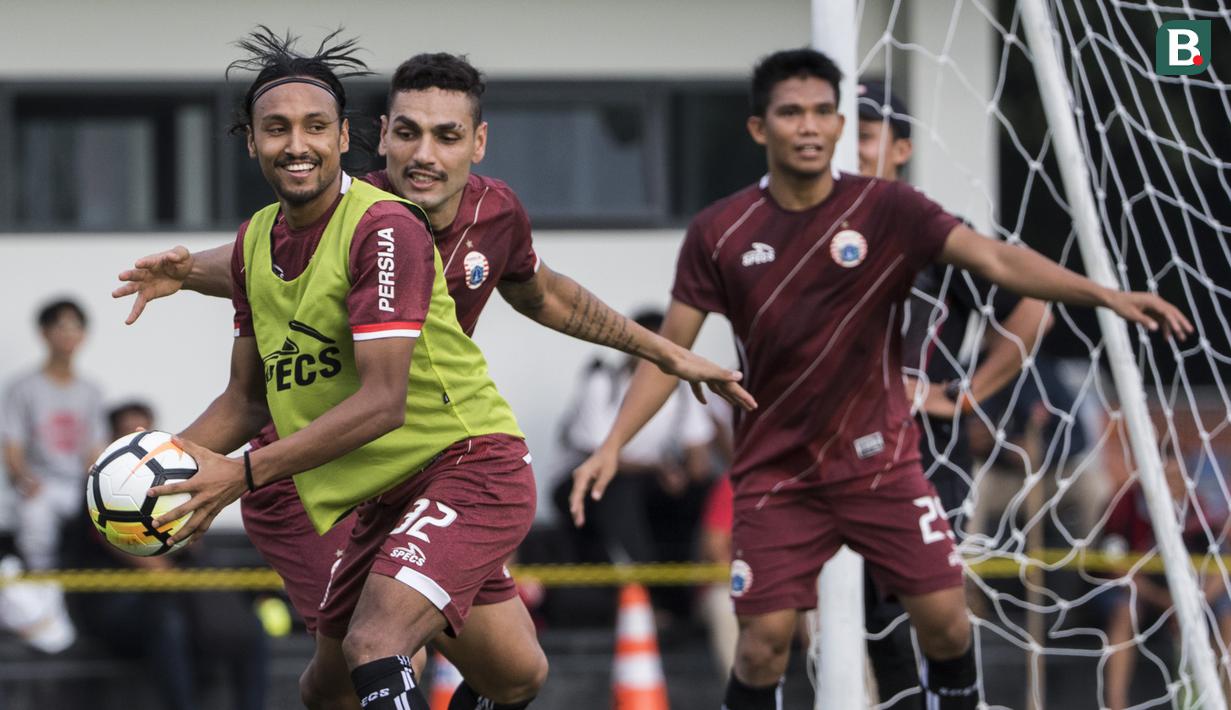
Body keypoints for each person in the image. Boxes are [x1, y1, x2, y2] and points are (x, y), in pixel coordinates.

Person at [126, 34, 751, 710]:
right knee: (370, 676)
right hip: (310, 482)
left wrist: (663, 350)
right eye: (408, 133)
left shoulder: (468, 217)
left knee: (429, 655)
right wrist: (163, 476)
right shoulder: (326, 217)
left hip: (430, 461)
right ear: (378, 138)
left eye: (446, 135)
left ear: (476, 142)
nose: (424, 154)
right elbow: (260, 278)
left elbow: (546, 295)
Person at [569, 48, 1192, 710]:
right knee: (763, 645)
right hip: (778, 472)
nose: (808, 126)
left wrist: (1104, 295)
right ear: (758, 128)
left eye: (822, 112)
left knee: (946, 621)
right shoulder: (719, 231)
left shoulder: (890, 209)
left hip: (881, 465)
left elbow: (997, 261)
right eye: (791, 112)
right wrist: (612, 444)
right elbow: (668, 351)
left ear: (838, 126)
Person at [856, 79, 1054, 706]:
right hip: (833, 452)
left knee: (918, 613)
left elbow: (1033, 309)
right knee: (857, 622)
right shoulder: (802, 234)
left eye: (865, 135)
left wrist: (964, 395)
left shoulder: (935, 234)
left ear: (901, 149)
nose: (850, 148)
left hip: (923, 453)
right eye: (843, 134)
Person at [62, 401, 269, 710]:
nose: (138, 438)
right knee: (168, 623)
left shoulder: (170, 482)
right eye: (126, 433)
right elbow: (150, 565)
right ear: (112, 440)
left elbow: (191, 544)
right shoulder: (100, 488)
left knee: (246, 625)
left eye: (145, 431)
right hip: (114, 602)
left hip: (176, 594)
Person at [1100, 445, 1231, 710]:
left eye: (1175, 477)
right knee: (1124, 611)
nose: (1170, 484)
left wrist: (1195, 601)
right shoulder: (1125, 505)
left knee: (1227, 614)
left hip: (1192, 595)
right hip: (1142, 591)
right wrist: (1165, 600)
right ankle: (1116, 703)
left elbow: (1221, 565)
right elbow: (1115, 565)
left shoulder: (1200, 511)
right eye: (1164, 477)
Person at [2, 299, 106, 571]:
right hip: (40, 486)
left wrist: (96, 488)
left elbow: (95, 448)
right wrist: (24, 480)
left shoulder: (91, 391)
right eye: (61, 326)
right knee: (36, 523)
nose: (69, 334)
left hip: (79, 487)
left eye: (75, 327)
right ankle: (43, 590)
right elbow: (12, 447)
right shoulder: (23, 388)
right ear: (44, 333)